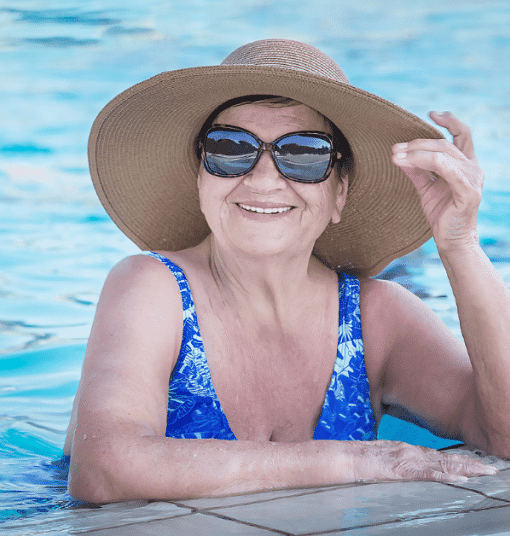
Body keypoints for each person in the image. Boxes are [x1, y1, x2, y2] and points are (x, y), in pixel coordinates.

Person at [63, 39, 509, 503]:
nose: (263, 177)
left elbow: (505, 438)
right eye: (230, 147)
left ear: (339, 192)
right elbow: (102, 471)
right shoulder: (151, 288)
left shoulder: (379, 317)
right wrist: (354, 461)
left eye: (303, 154)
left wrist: (460, 245)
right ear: (200, 176)